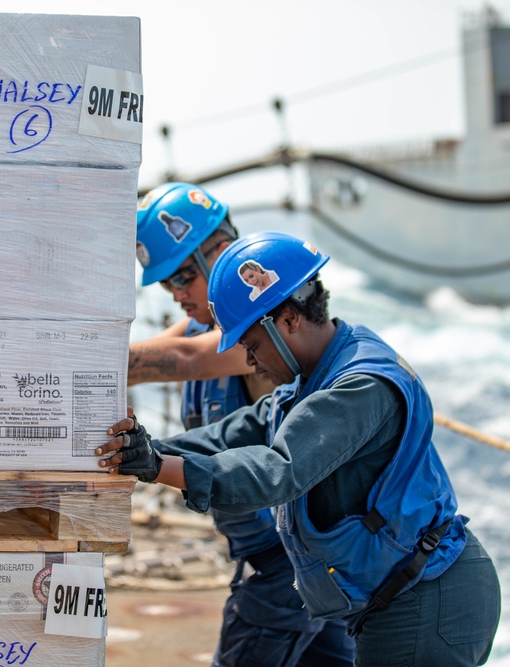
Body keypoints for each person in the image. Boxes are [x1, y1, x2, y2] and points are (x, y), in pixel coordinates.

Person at [102, 230, 501, 666]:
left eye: (251, 345)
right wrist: (143, 450)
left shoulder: (359, 385)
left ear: (289, 319)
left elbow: (279, 470)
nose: (249, 362)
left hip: (424, 600)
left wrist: (159, 466)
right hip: (379, 596)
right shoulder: (314, 378)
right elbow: (241, 431)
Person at [130, 183, 354, 667]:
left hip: (289, 564)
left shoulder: (262, 334)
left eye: (183, 277)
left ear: (221, 249)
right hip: (297, 561)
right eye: (167, 284)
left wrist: (75, 360)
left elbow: (183, 358)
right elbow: (154, 351)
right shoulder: (200, 329)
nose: (177, 295)